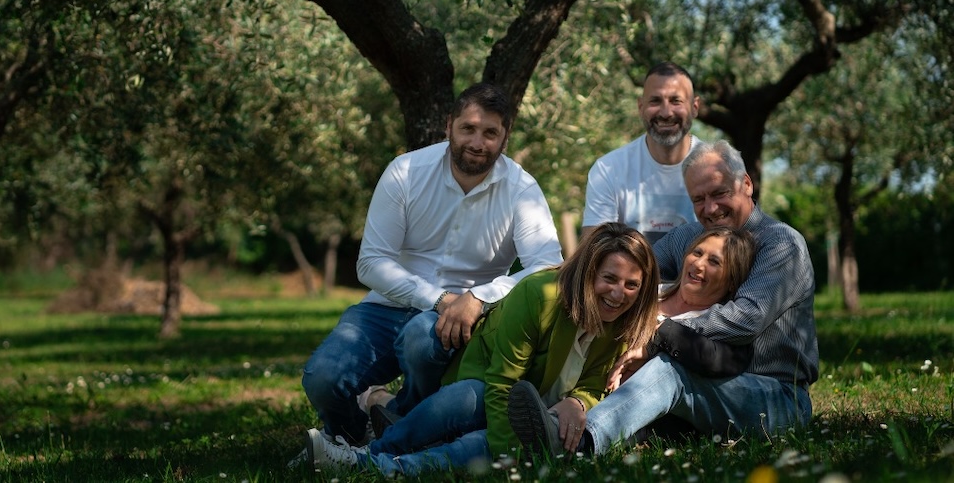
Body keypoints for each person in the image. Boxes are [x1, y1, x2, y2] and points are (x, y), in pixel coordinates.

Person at [512, 140, 819, 457]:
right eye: (698, 199)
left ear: (746, 184)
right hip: (706, 381)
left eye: (719, 193)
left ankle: (579, 444)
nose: (710, 208)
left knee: (669, 370)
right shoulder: (690, 236)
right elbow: (636, 274)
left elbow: (746, 319)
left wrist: (658, 334)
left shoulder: (781, 243)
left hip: (774, 394)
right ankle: (536, 428)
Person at [299, 82, 563, 448]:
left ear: (505, 139)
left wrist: (480, 297)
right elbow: (371, 262)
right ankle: (352, 434)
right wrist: (439, 300)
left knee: (421, 338)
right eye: (468, 129)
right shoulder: (406, 171)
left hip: (464, 321)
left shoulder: (522, 189)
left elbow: (548, 268)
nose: (477, 142)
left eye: (490, 133)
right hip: (387, 307)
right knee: (322, 378)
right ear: (449, 125)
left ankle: (395, 420)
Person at [304, 223, 661, 476]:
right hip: (491, 386)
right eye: (609, 279)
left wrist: (579, 402)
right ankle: (369, 454)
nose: (619, 293)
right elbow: (502, 382)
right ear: (588, 273)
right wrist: (510, 454)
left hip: (542, 415)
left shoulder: (623, 320)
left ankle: (378, 466)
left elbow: (597, 383)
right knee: (466, 399)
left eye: (632, 285)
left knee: (479, 445)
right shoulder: (540, 294)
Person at [508, 225, 758, 455]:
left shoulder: (719, 325)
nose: (699, 264)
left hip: (625, 416)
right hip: (569, 386)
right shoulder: (643, 292)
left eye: (714, 261)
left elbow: (723, 361)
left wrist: (655, 340)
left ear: (731, 279)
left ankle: (563, 441)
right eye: (697, 252)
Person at [582, 62, 702, 243]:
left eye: (676, 101)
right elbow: (595, 250)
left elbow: (734, 244)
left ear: (695, 107)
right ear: (640, 106)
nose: (666, 113)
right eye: (655, 101)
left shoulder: (720, 168)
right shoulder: (609, 170)